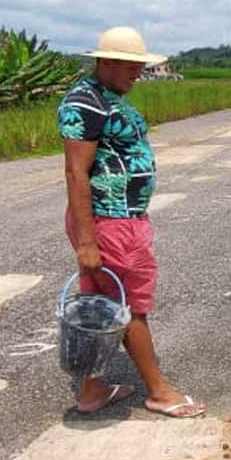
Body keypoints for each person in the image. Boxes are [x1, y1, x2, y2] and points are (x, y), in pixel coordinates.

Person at [57, 26, 205, 418]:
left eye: (140, 66)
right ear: (105, 62)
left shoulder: (106, 98)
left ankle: (91, 390)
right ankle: (158, 391)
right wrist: (88, 241)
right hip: (109, 222)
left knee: (102, 303)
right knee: (128, 305)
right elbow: (76, 172)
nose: (137, 73)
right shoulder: (84, 103)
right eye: (130, 66)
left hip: (118, 220)